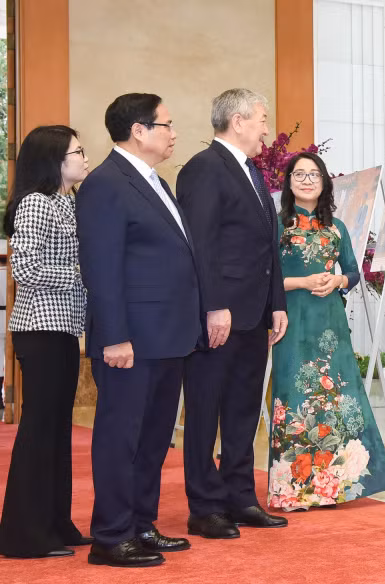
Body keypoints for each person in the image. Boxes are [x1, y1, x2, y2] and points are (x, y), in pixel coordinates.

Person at [77, 93, 201, 567]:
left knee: (153, 437)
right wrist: (113, 336)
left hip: (168, 335)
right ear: (138, 130)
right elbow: (101, 267)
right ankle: (111, 534)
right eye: (167, 125)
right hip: (131, 338)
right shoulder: (107, 183)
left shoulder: (156, 183)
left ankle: (141, 524)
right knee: (120, 436)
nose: (173, 133)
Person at [176, 88, 288, 538]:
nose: (266, 127)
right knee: (205, 411)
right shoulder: (204, 169)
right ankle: (204, 507)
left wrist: (276, 302)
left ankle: (240, 497)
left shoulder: (253, 173)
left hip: (254, 314)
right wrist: (213, 306)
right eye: (262, 118)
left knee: (243, 410)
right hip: (218, 316)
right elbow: (200, 246)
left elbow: (267, 244)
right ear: (238, 120)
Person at [268, 152, 385, 510]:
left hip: (330, 323)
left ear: (324, 183)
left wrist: (338, 279)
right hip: (292, 319)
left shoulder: (336, 227)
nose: (307, 180)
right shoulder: (278, 224)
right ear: (289, 182)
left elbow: (353, 271)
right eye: (299, 174)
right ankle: (293, 489)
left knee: (339, 397)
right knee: (294, 395)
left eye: (314, 174)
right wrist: (301, 282)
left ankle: (334, 485)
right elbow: (268, 276)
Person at [0, 126, 90, 559]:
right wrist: (82, 276)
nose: (84, 158)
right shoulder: (36, 203)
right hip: (40, 328)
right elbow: (28, 271)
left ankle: (56, 522)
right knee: (38, 430)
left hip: (63, 328)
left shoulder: (68, 202)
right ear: (54, 159)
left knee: (56, 430)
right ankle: (24, 534)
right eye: (77, 151)